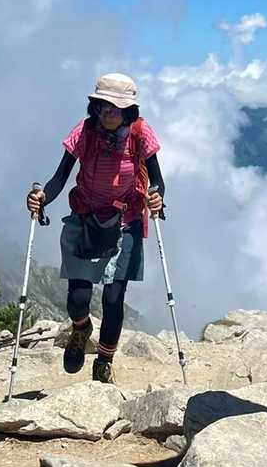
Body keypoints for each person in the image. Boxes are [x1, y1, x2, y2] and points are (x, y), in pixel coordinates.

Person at [27, 73, 164, 384]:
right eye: (103, 106)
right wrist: (43, 196)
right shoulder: (84, 131)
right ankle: (81, 328)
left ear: (128, 109)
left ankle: (104, 360)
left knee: (114, 298)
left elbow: (157, 180)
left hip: (125, 219)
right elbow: (60, 176)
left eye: (115, 107)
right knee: (78, 298)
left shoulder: (140, 133)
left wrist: (156, 196)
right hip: (85, 217)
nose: (108, 113)